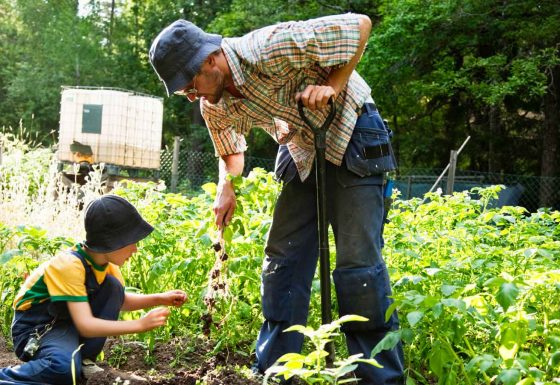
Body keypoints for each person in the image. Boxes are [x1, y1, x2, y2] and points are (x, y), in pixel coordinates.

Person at [149, 13, 403, 385]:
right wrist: (226, 187)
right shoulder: (213, 104)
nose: (191, 95)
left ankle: (378, 378)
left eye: (191, 84)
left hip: (352, 130)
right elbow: (231, 151)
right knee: (283, 259)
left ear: (210, 59)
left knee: (358, 264)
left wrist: (332, 85)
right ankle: (275, 371)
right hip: (302, 144)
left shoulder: (268, 46)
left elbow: (360, 25)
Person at [0, 195, 187, 385]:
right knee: (62, 369)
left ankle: (83, 360)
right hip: (37, 328)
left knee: (114, 288)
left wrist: (161, 298)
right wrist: (140, 324)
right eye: (132, 241)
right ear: (112, 241)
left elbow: (120, 301)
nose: (135, 249)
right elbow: (86, 325)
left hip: (66, 323)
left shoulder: (106, 265)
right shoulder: (69, 265)